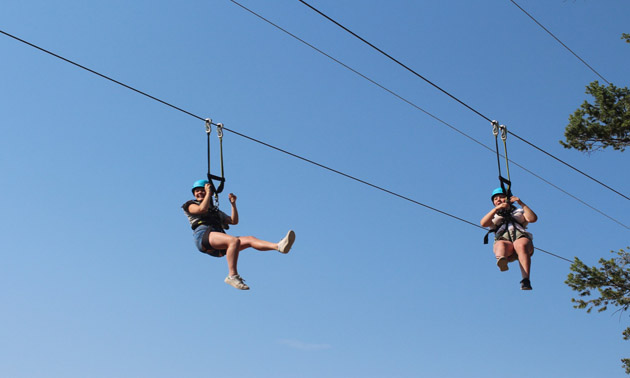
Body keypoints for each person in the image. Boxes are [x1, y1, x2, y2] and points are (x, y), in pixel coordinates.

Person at [182, 179, 296, 290]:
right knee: (233, 240)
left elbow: (233, 221)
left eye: (202, 190)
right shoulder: (190, 205)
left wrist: (233, 204)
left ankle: (278, 246)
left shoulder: (215, 211)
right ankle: (232, 276)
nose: (199, 192)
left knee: (250, 239)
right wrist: (208, 193)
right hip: (203, 236)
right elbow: (201, 209)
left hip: (216, 240)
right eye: (197, 191)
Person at [480, 188, 538, 290]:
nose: (498, 200)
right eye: (495, 199)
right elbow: (483, 223)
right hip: (505, 243)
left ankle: (525, 280)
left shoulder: (518, 211)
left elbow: (532, 218)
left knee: (520, 245)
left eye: (501, 197)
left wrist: (520, 203)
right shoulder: (494, 215)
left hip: (520, 238)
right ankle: (502, 259)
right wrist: (496, 209)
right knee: (501, 244)